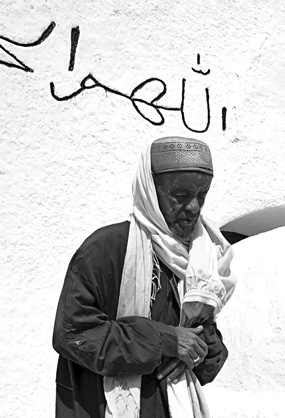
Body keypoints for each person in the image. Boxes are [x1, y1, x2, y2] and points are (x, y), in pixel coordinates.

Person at [53, 136, 237, 418]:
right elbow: (72, 335)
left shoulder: (200, 264)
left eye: (202, 195)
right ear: (151, 190)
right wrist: (166, 341)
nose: (194, 208)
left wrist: (198, 346)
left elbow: (207, 364)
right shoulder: (107, 251)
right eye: (181, 196)